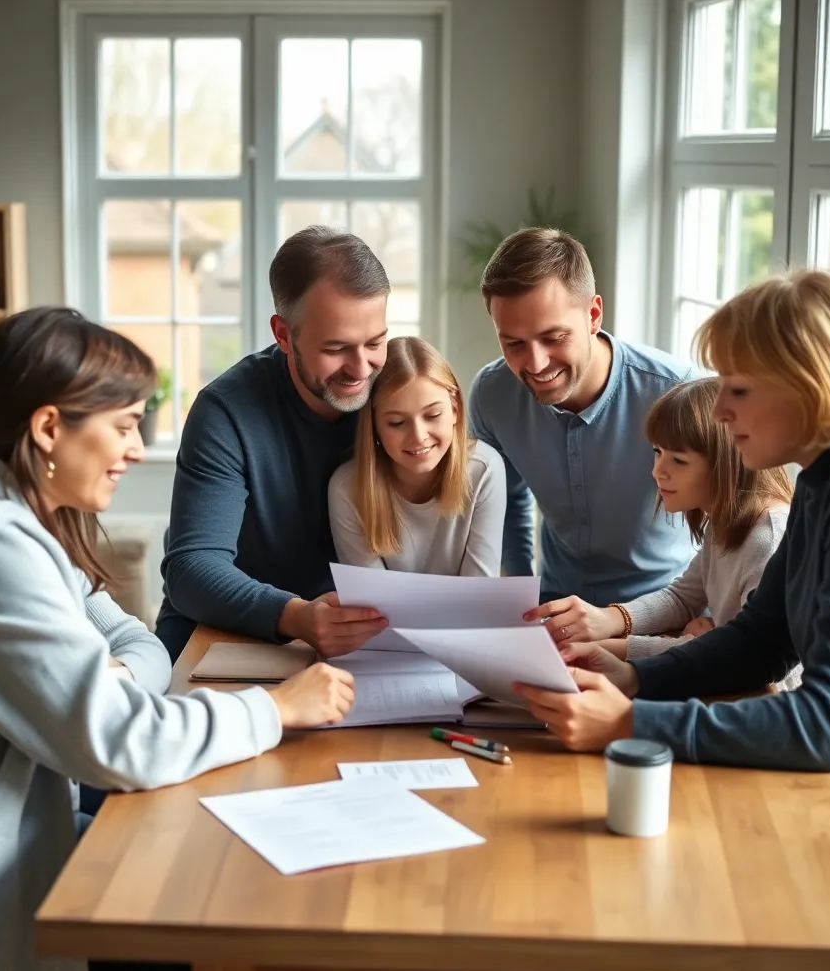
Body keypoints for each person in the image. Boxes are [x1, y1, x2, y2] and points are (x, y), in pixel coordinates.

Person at [514, 270, 830, 971]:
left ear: (811, 383)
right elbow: (760, 640)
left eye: (739, 388)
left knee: (694, 907)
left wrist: (630, 724)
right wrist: (632, 677)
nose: (719, 410)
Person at [0, 308, 356, 971]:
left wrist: (114, 680)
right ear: (47, 429)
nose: (134, 450)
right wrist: (276, 708)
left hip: (16, 845)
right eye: (125, 425)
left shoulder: (15, 519)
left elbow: (131, 636)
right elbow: (120, 741)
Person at [155, 225, 392, 662]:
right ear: (284, 334)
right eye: (337, 348)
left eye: (375, 342)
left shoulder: (397, 394)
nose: (361, 368)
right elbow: (191, 570)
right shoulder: (225, 411)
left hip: (352, 640)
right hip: (220, 631)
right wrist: (297, 616)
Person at [468, 227, 696, 647]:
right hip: (553, 619)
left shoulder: (679, 392)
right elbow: (505, 501)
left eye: (553, 338)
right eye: (513, 343)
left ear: (593, 316)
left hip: (663, 620)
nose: (535, 363)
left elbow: (730, 526)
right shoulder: (492, 394)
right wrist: (518, 608)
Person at [594, 378, 797, 692]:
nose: (657, 471)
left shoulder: (768, 535)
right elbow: (683, 597)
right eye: (657, 452)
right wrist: (610, 620)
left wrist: (618, 648)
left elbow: (748, 659)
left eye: (678, 460)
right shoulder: (724, 520)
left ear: (725, 463)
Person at [328, 335, 506, 576]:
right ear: (375, 427)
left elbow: (480, 592)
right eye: (397, 422)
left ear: (454, 409)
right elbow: (371, 600)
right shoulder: (347, 487)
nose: (418, 436)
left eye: (432, 415)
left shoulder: (484, 470)